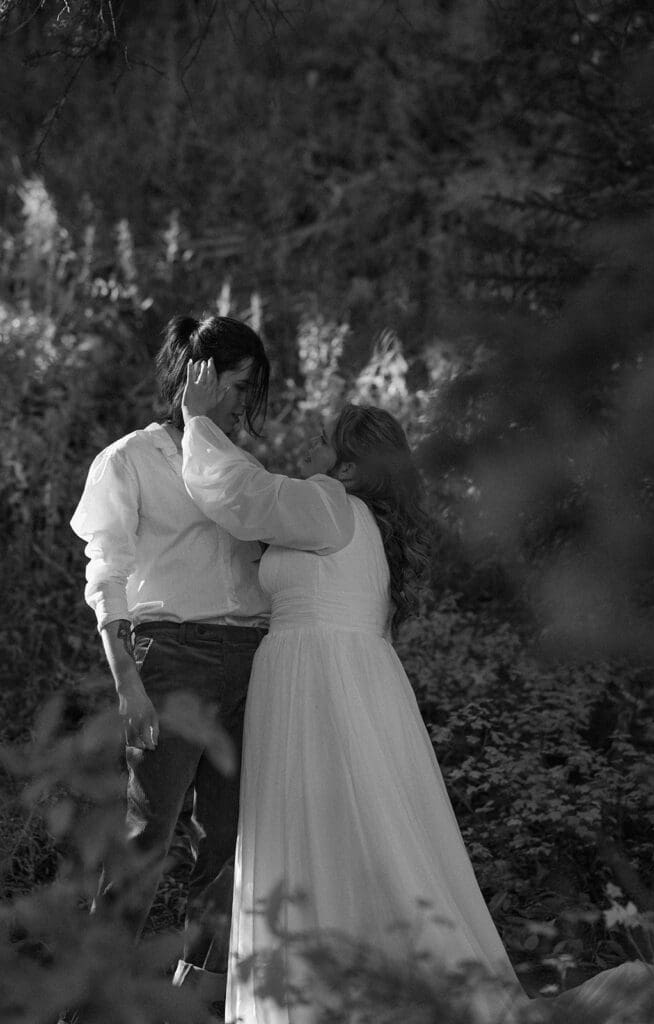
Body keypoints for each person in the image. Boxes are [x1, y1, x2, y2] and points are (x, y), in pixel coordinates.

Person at [179, 361, 527, 1023]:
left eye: (318, 442)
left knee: (310, 823)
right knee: (350, 822)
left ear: (345, 467)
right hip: (354, 675)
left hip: (314, 677)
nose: (305, 450)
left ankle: (317, 995)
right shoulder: (365, 524)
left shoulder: (326, 503)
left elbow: (240, 494)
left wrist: (197, 418)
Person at [69, 315, 285, 1006]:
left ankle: (196, 999)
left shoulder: (238, 464)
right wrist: (126, 681)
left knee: (226, 843)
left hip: (251, 659)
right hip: (174, 659)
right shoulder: (129, 460)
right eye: (237, 385)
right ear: (198, 374)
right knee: (146, 839)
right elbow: (106, 573)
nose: (242, 404)